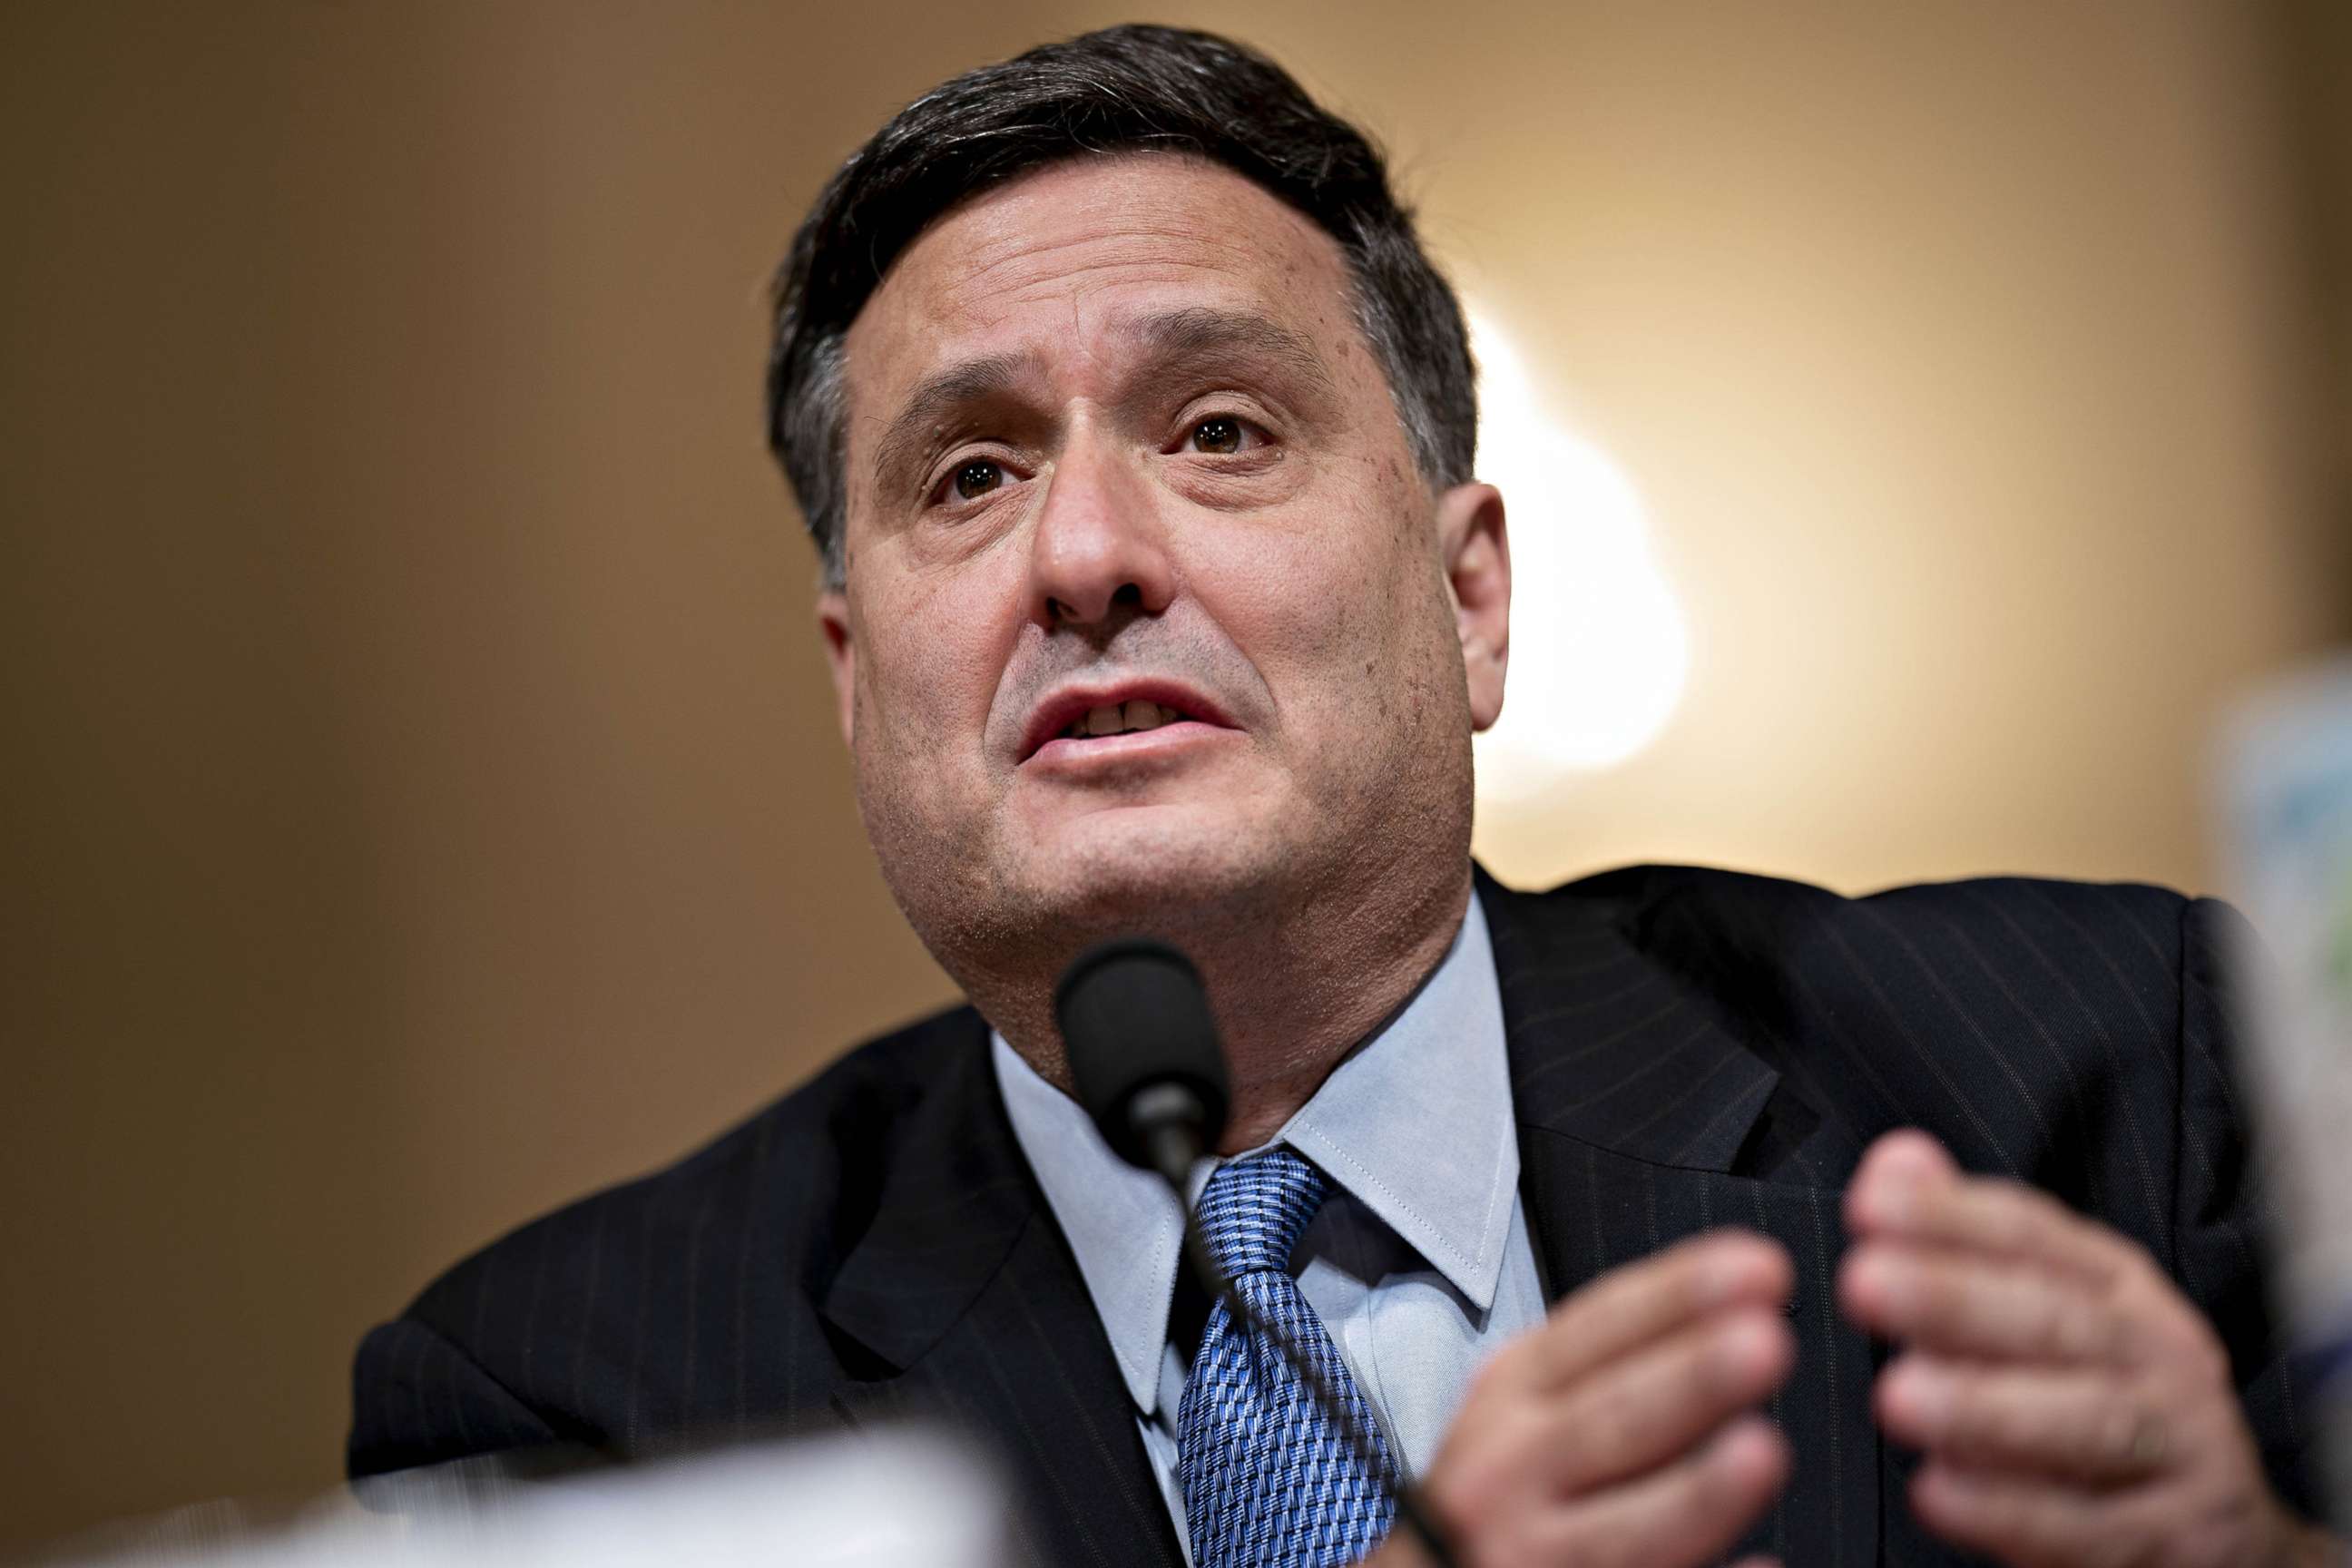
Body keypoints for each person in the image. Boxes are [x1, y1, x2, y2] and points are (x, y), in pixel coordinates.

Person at [348, 24, 2341, 1567]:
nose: (1084, 556)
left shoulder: (2103, 1080)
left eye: (1219, 430)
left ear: (1473, 601)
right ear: (861, 681)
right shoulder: (581, 1399)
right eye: (968, 476)